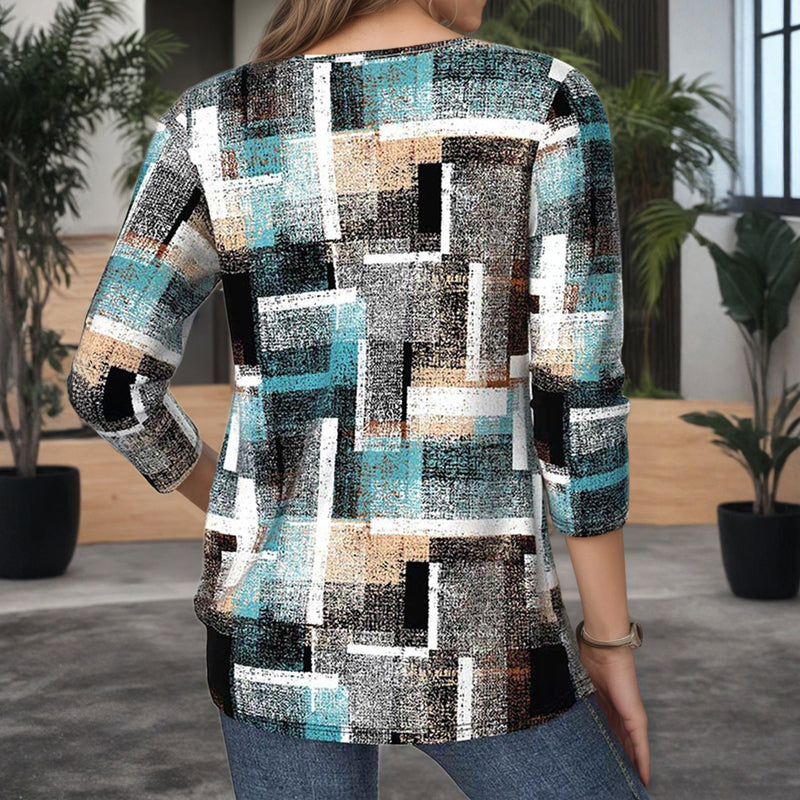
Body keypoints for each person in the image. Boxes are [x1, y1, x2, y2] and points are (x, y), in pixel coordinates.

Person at [67, 0, 652, 797]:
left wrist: (242, 509)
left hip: (276, 629)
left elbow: (108, 383)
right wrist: (610, 643)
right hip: (481, 631)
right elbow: (576, 401)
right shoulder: (540, 101)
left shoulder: (211, 119)